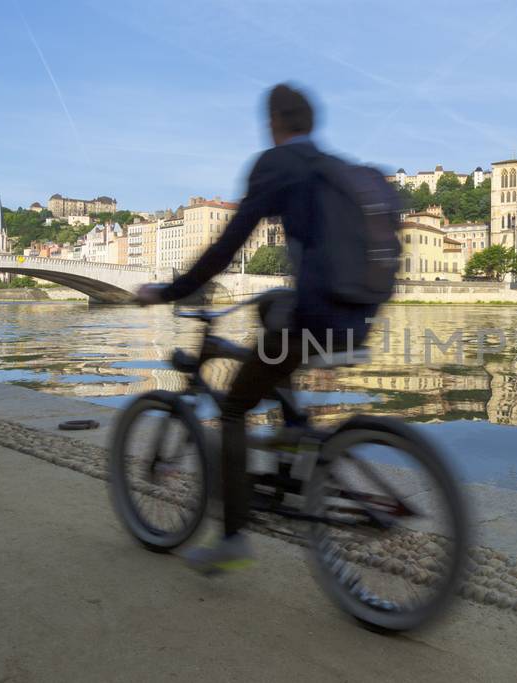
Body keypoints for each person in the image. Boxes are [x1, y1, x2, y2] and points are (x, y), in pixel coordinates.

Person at [135, 83, 378, 575]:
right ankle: (291, 427)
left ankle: (232, 539)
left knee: (232, 406)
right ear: (310, 121)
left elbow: (227, 246)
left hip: (315, 313)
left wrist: (171, 291)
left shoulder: (276, 164)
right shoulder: (333, 169)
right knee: (270, 305)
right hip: (358, 313)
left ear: (274, 123)